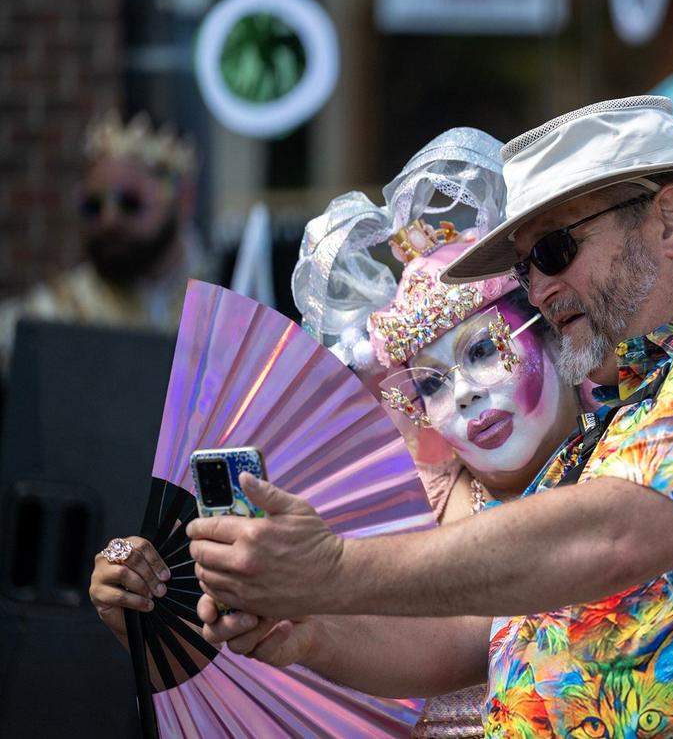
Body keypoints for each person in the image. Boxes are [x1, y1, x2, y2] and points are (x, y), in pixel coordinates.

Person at [188, 96, 673, 737]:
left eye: (554, 250)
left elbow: (613, 536)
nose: (538, 290)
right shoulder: (627, 404)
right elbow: (481, 631)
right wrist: (306, 632)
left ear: (669, 222)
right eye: (528, 267)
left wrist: (333, 570)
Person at [90, 128, 581, 737]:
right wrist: (155, 609)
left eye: (484, 350)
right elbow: (276, 679)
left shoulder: (624, 460)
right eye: (429, 382)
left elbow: (462, 632)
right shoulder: (392, 502)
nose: (464, 392)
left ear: (554, 332)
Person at [0, 110, 211, 373]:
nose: (108, 220)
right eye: (93, 205)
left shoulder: (227, 310)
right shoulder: (58, 313)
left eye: (130, 203)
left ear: (183, 201)